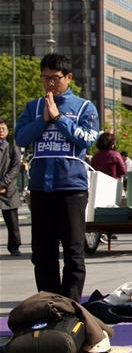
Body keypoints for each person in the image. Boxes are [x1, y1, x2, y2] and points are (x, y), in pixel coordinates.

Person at [15, 53, 99, 300]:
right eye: (45, 78)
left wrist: (59, 119)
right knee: (42, 252)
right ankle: (49, 301)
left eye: (55, 78)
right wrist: (43, 120)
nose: (50, 83)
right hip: (40, 188)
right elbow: (21, 138)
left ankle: (71, 304)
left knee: (73, 250)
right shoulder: (33, 107)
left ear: (68, 77)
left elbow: (88, 138)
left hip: (71, 188)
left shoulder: (85, 107)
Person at [0, 119, 22, 256]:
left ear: (7, 131)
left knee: (12, 223)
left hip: (8, 190)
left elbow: (15, 167)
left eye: (3, 129)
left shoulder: (12, 147)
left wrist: (3, 183)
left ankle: (14, 247)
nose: (1, 131)